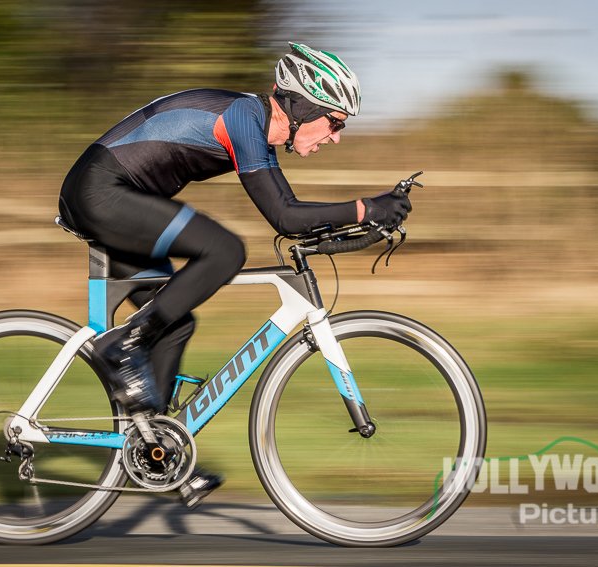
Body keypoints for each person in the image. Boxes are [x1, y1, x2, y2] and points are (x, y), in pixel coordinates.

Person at [58, 42, 412, 507]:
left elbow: (294, 215)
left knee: (174, 320)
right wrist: (366, 208)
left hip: (113, 194)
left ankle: (156, 454)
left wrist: (359, 221)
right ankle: (120, 346)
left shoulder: (256, 129)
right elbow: (285, 218)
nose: (336, 136)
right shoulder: (246, 120)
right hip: (104, 191)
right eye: (335, 122)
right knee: (224, 251)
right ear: (303, 106)